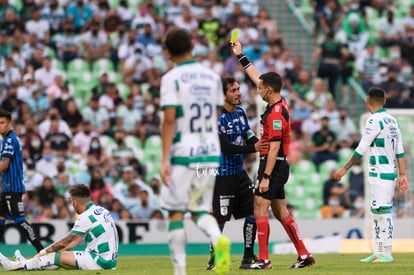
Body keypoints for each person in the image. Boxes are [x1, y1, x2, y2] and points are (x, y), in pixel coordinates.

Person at [231, 40, 315, 269]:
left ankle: (264, 259)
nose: (257, 90)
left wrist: (266, 176)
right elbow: (257, 76)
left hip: (273, 164)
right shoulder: (279, 102)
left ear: (268, 90)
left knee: (259, 206)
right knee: (280, 211)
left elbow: (275, 146)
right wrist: (241, 56)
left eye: (260, 88)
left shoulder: (276, 115)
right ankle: (304, 254)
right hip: (276, 164)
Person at [159, 27, 230, 275]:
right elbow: (218, 114)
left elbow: (169, 118)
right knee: (199, 209)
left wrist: (164, 158)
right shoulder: (212, 77)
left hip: (183, 152)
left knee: (175, 213)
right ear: (192, 46)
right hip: (210, 151)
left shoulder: (171, 78)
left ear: (167, 52)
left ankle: (180, 272)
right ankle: (217, 237)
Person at [333, 87, 409, 263]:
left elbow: (361, 148)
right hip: (389, 172)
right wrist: (403, 174)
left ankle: (387, 253)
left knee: (384, 211)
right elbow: (400, 150)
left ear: (367, 101)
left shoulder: (374, 120)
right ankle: (378, 251)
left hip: (380, 172)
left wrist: (345, 168)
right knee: (377, 211)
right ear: (385, 100)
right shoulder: (393, 121)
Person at [206, 76, 268, 270]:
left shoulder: (240, 113)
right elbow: (225, 147)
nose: (238, 93)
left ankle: (248, 257)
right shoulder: (217, 116)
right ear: (223, 94)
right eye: (233, 90)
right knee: (221, 219)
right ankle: (215, 258)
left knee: (253, 212)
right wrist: (254, 148)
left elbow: (248, 135)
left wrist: (261, 143)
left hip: (240, 174)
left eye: (238, 89)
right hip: (222, 175)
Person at [0, 184, 119, 270]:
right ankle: (25, 264)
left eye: (72, 201)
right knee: (57, 261)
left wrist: (43, 252)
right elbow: (77, 239)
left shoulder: (86, 216)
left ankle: (14, 266)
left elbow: (66, 241)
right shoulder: (101, 210)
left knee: (54, 256)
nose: (72, 205)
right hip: (109, 261)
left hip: (99, 261)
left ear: (76, 202)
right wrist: (58, 252)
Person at [0, 109, 44, 252]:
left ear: (9, 123)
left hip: (12, 188)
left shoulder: (10, 140)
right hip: (7, 188)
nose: (0, 126)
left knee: (20, 221)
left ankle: (41, 251)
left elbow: (5, 165)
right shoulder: (7, 139)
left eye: (2, 123)